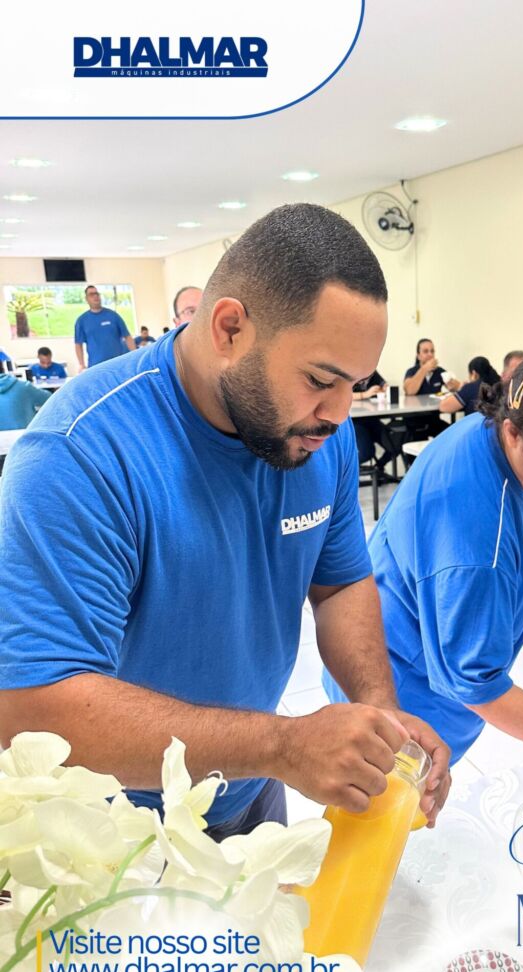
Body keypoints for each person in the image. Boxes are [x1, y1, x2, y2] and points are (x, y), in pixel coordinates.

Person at [0, 204, 450, 838]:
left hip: (249, 783)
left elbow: (341, 583)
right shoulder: (81, 454)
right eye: (320, 379)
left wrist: (380, 711)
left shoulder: (318, 436)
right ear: (230, 328)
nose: (339, 412)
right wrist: (282, 745)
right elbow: (34, 708)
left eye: (355, 383)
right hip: (114, 828)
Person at [323, 346, 523, 772]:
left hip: (381, 641)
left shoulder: (484, 430)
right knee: (394, 799)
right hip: (403, 696)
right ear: (514, 432)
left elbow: (495, 530)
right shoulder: (477, 543)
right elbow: (477, 684)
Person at [74, 285, 135, 370]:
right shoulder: (82, 320)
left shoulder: (113, 316)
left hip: (117, 364)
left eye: (97, 293)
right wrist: (81, 364)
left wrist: (134, 356)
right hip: (96, 366)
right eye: (91, 294)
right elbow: (78, 344)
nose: (95, 296)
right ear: (86, 299)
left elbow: (127, 337)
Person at [352, 369, 387, 463]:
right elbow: (342, 395)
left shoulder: (372, 371)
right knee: (365, 453)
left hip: (372, 418)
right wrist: (365, 394)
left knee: (395, 444)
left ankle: (379, 467)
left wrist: (384, 389)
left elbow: (384, 384)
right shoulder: (349, 371)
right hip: (355, 421)